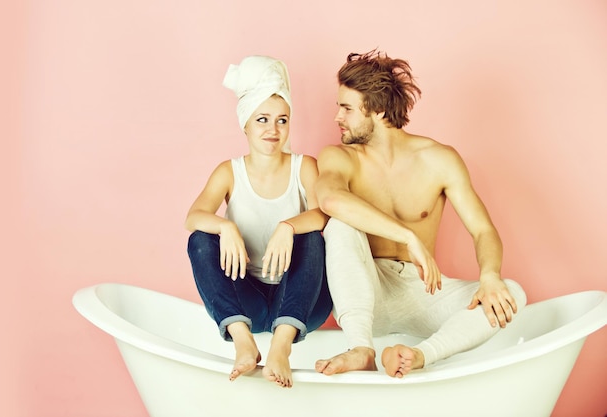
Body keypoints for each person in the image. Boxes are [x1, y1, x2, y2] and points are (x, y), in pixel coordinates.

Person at [314, 50, 527, 378]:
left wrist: (489, 275)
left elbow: (483, 230)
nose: (337, 117)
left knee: (511, 291)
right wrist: (407, 235)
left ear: (379, 109)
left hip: (423, 291)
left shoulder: (439, 159)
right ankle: (361, 348)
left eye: (346, 108)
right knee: (340, 226)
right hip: (366, 287)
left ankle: (417, 355)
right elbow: (330, 200)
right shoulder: (340, 157)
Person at [185, 55, 332, 388]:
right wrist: (225, 226)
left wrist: (289, 225)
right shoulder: (229, 171)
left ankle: (281, 348)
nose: (273, 130)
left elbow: (326, 214)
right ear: (246, 124)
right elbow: (193, 217)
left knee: (312, 235)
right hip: (246, 302)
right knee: (199, 239)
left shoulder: (304, 166)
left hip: (300, 303)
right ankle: (243, 342)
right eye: (262, 119)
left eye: (282, 120)